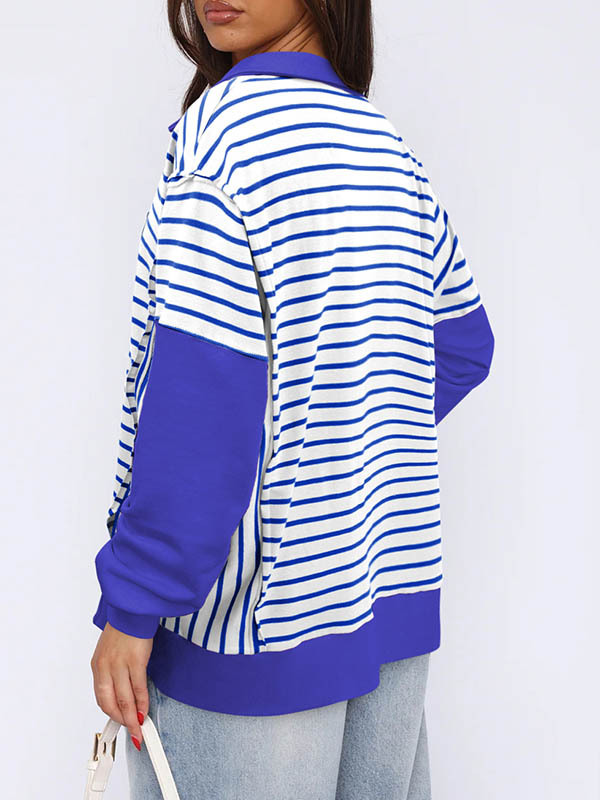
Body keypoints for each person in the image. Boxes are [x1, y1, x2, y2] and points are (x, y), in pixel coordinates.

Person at [89, 1, 495, 797]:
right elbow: (459, 342)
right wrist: (343, 445)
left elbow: (201, 418)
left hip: (252, 639)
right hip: (386, 605)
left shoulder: (223, 145)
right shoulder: (382, 146)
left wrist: (133, 605)